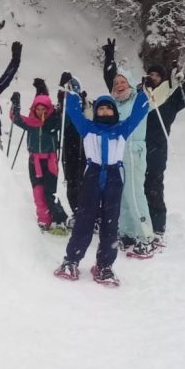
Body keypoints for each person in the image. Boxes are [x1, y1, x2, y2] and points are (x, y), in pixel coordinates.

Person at [54, 83, 149, 286]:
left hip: (114, 176)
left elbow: (138, 115)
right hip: (93, 175)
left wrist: (143, 95)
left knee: (110, 223)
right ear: (96, 111)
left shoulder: (122, 128)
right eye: (100, 108)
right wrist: (73, 93)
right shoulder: (88, 128)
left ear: (114, 111)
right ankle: (71, 260)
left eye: (108, 108)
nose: (104, 111)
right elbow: (73, 111)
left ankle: (104, 265)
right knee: (84, 220)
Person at [142, 40, 185, 244]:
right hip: (134, 149)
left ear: (162, 80)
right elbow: (115, 89)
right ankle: (136, 223)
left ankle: (158, 228)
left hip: (156, 150)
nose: (153, 77)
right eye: (150, 74)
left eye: (157, 75)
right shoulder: (138, 96)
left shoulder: (170, 99)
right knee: (133, 187)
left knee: (153, 187)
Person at [102, 59, 156, 259]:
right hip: (118, 152)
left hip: (134, 150)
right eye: (116, 83)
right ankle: (128, 233)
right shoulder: (114, 103)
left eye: (122, 82)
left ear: (130, 83)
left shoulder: (139, 98)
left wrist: (146, 89)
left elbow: (150, 102)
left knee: (134, 194)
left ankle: (146, 237)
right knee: (123, 194)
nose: (119, 85)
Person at [10, 79, 69, 234]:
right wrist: (15, 105)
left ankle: (60, 219)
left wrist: (63, 101)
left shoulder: (53, 122)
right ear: (34, 109)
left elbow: (65, 120)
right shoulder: (30, 122)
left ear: (48, 109)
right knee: (38, 192)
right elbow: (15, 118)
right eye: (38, 109)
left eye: (44, 109)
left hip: (50, 160)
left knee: (51, 192)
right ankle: (44, 219)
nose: (41, 112)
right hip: (34, 161)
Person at [56, 72, 89, 222]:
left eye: (74, 88)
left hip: (83, 146)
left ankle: (87, 211)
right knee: (71, 180)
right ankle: (77, 211)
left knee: (83, 180)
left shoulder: (85, 105)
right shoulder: (62, 107)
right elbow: (60, 116)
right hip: (68, 147)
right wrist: (62, 94)